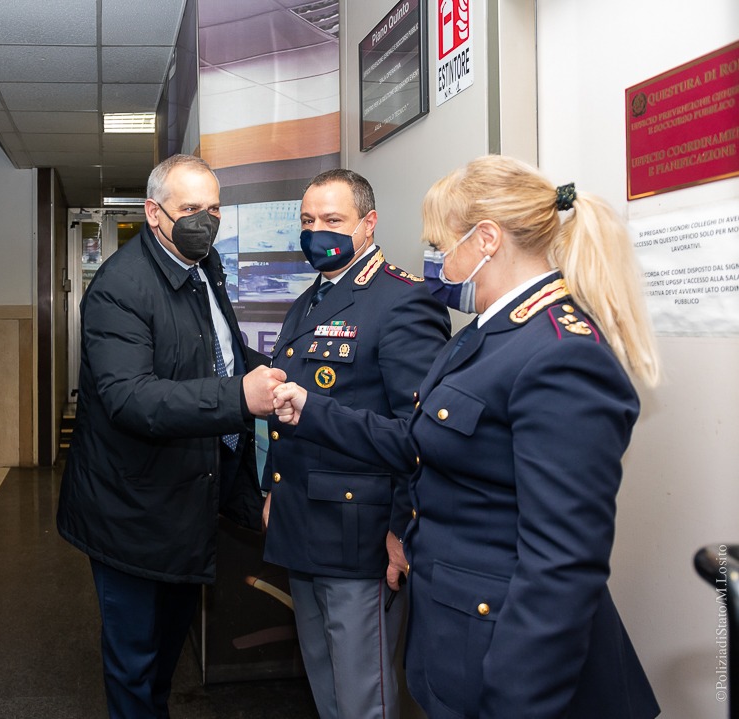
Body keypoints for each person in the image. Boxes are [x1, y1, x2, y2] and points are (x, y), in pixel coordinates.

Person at [272, 155, 661, 718]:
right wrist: (311, 410)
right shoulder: (487, 334)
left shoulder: (562, 352)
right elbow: (417, 442)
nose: (436, 260)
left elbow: (563, 564)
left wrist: (515, 699)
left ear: (484, 241)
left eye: (440, 243)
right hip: (457, 635)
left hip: (510, 658)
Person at [56, 154, 286, 719]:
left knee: (163, 653)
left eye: (214, 209)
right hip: (131, 508)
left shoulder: (203, 267)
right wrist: (239, 398)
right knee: (134, 659)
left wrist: (280, 368)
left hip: (190, 499)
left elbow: (219, 353)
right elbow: (130, 398)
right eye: (191, 210)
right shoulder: (119, 287)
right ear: (154, 213)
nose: (205, 220)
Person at [260, 169, 449, 719]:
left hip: (359, 535)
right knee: (325, 681)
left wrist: (401, 527)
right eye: (308, 220)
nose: (317, 231)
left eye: (332, 220)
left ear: (367, 224)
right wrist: (273, 487)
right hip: (301, 521)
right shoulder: (312, 299)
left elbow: (419, 437)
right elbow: (287, 407)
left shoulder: (403, 301)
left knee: (363, 692)